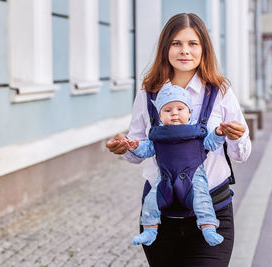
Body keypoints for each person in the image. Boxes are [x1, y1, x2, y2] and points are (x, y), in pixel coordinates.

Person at [106, 13, 251, 267]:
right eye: (176, 43)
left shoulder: (220, 92)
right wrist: (124, 147)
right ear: (166, 48)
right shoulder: (148, 92)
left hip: (212, 212)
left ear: (203, 48)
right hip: (160, 217)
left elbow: (241, 154)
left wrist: (236, 137)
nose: (185, 51)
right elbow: (137, 149)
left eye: (193, 43)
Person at [119, 84, 226, 247]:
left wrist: (218, 133)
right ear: (160, 116)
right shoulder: (157, 135)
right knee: (150, 202)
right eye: (167, 110)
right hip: (164, 178)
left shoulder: (197, 131)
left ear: (190, 112)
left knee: (202, 200)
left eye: (180, 109)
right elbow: (147, 149)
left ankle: (209, 227)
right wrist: (134, 146)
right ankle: (149, 230)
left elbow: (211, 143)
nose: (174, 113)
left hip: (193, 177)